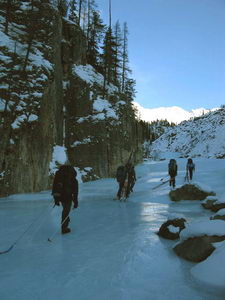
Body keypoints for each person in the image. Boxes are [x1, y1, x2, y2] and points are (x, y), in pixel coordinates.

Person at [52, 162, 78, 234]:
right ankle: (64, 228)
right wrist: (75, 202)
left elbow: (55, 186)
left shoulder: (59, 173)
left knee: (65, 210)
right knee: (66, 211)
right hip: (67, 196)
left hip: (60, 195)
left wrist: (56, 199)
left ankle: (66, 221)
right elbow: (75, 190)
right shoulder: (72, 175)